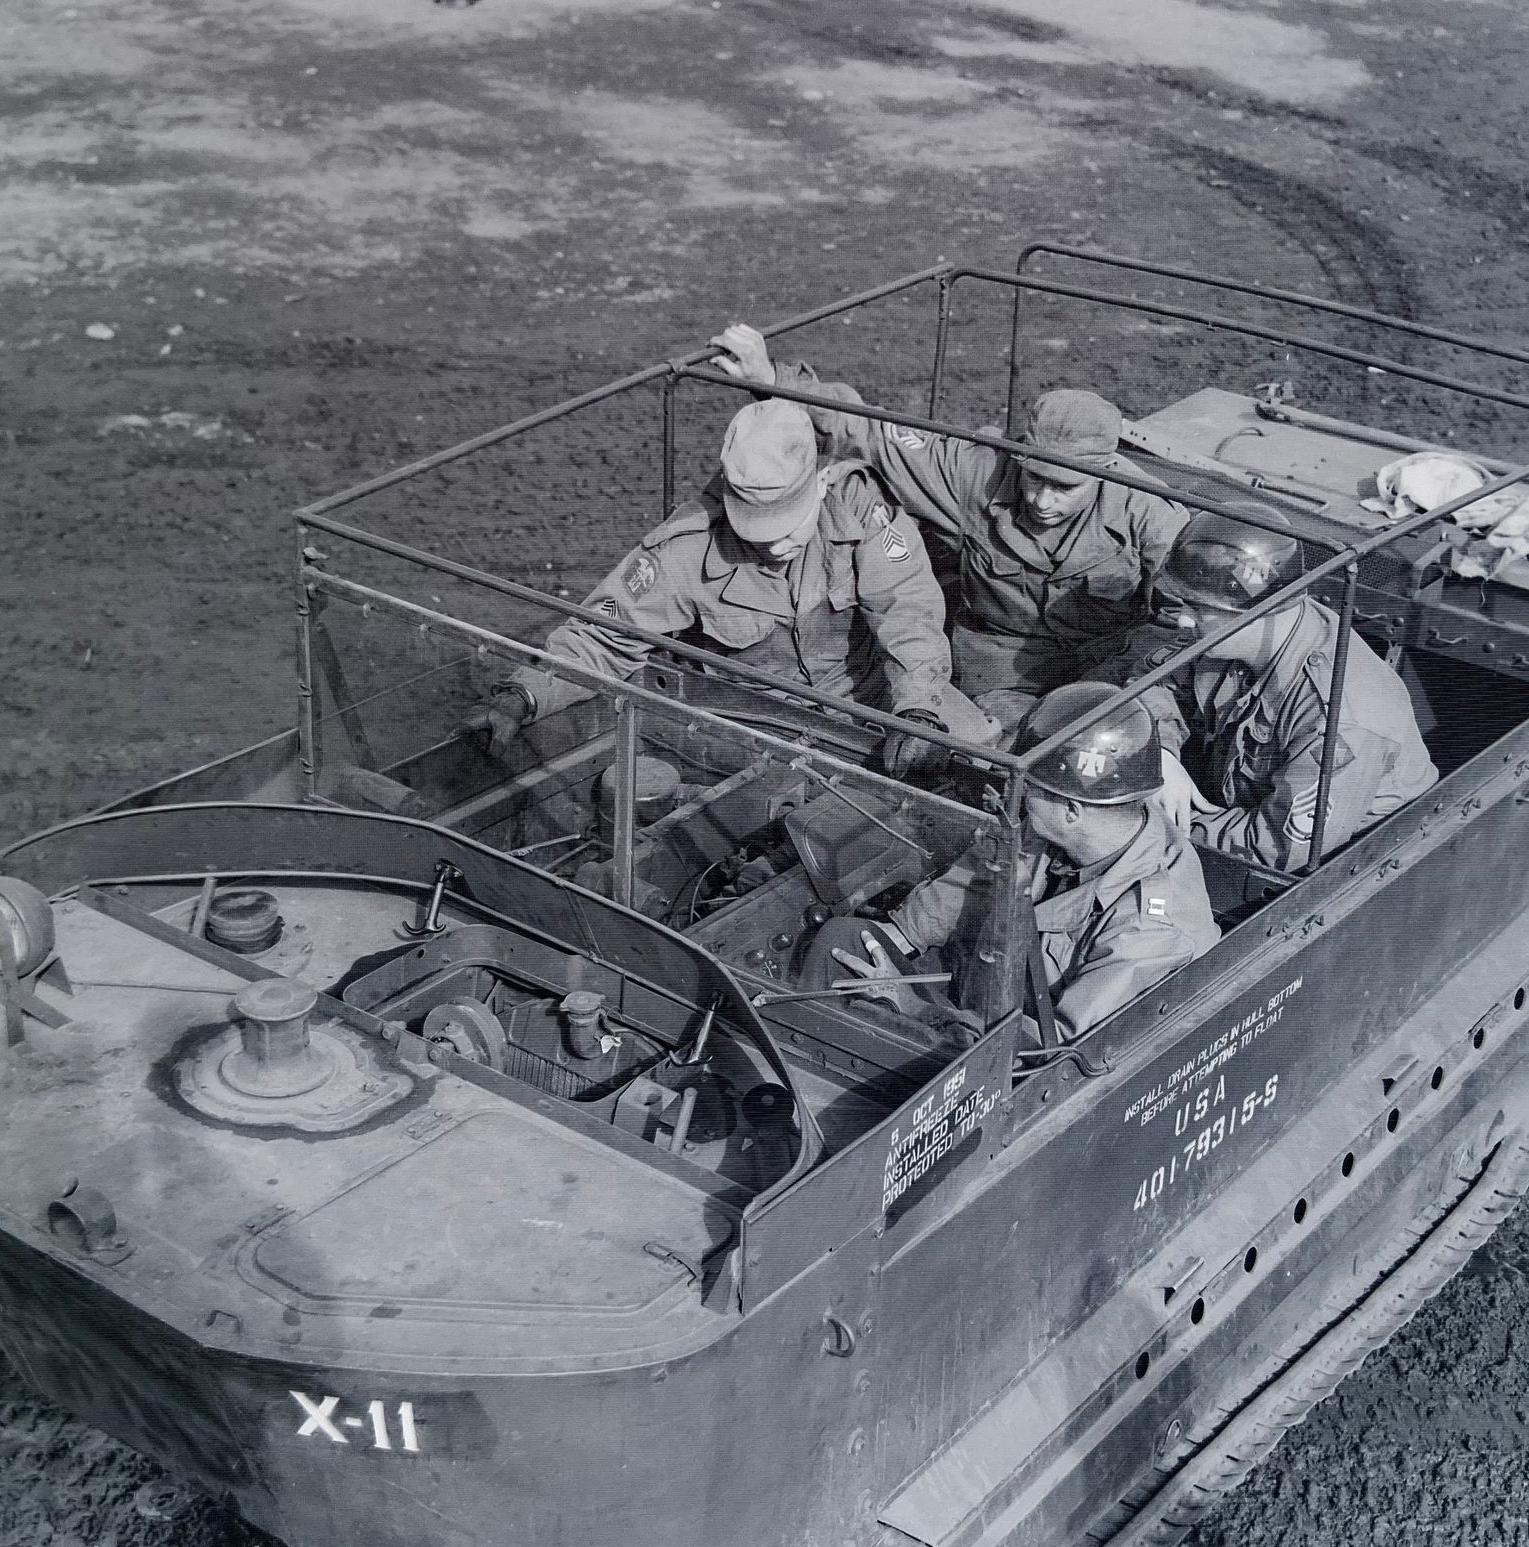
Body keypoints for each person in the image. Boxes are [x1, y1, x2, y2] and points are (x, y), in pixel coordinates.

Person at [461, 398, 995, 778]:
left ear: (818, 482)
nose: (776, 544)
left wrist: (917, 712)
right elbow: (602, 636)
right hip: (761, 725)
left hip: (876, 697)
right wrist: (524, 695)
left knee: (981, 765)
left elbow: (909, 609)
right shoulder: (686, 545)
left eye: (789, 524)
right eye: (758, 528)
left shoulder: (858, 504)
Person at [709, 324, 1190, 732]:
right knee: (997, 758)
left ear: (1105, 471)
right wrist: (772, 379)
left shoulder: (1147, 510)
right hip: (1001, 673)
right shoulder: (977, 471)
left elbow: (1185, 616)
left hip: (1107, 666)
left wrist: (1133, 677)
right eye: (1034, 478)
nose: (1043, 501)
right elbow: (869, 432)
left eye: (1065, 488)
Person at [815, 683, 1219, 1039]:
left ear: (1072, 810)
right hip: (984, 994)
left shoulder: (1149, 930)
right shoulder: (1070, 825)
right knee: (847, 941)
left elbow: (1052, 1051)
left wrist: (918, 1010)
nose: (1017, 796)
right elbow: (980, 876)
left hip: (1018, 1050)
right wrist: (903, 936)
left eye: (1030, 788)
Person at [1149, 507, 1437, 872]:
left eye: (1199, 609)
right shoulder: (1234, 632)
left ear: (1259, 612)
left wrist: (1149, 822)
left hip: (1347, 862)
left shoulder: (1341, 719)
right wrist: (1160, 751)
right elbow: (1153, 680)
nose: (1183, 620)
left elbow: (1273, 850)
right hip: (1231, 811)